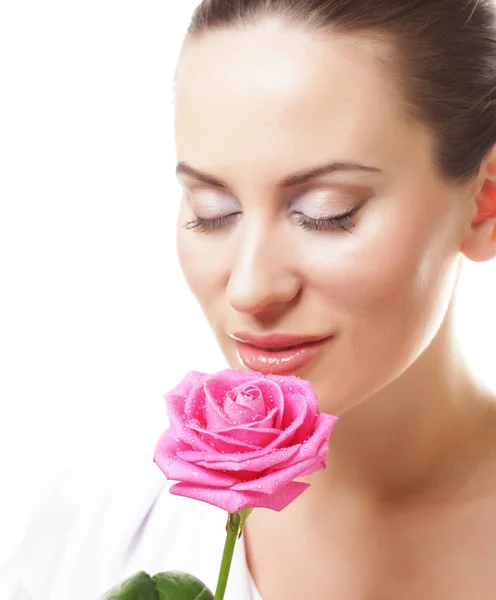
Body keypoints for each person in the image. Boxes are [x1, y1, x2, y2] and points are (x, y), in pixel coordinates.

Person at [2, 0, 496, 598]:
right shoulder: (80, 537)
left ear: (483, 203)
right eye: (214, 212)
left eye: (326, 213)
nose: (250, 288)